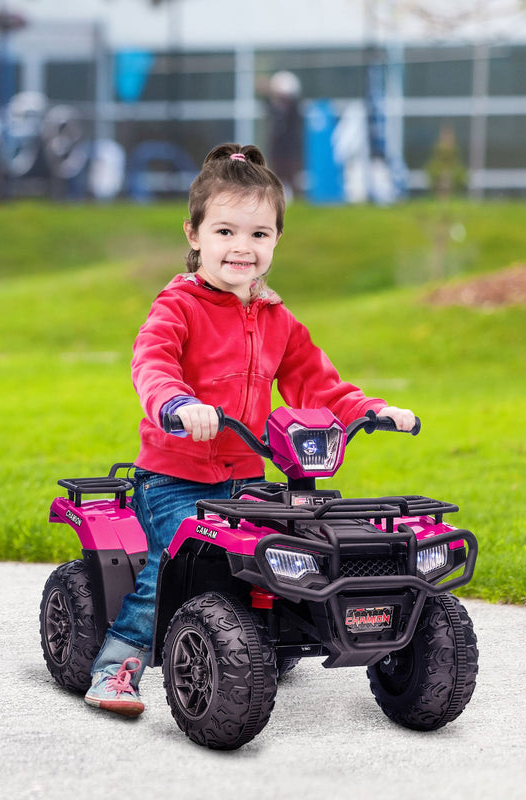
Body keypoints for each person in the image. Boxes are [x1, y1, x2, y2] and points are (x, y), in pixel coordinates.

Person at [84, 142, 415, 717]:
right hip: (174, 478)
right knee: (170, 564)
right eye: (226, 232)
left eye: (259, 234)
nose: (242, 247)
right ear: (194, 234)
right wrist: (175, 402)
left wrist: (367, 410)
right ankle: (117, 666)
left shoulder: (278, 319)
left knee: (292, 546)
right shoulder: (177, 308)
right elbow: (152, 362)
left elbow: (317, 384)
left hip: (244, 477)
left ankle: (271, 640)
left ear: (277, 241)